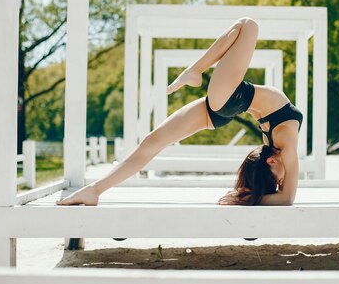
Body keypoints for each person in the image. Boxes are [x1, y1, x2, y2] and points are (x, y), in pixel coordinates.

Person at [56, 17, 303, 206]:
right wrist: (253, 197)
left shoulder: (281, 148)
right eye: (278, 181)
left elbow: (287, 198)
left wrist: (247, 198)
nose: (283, 179)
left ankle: (95, 190)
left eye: (277, 180)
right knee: (152, 142)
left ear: (270, 161)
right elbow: (286, 198)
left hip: (231, 100)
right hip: (231, 101)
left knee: (248, 25)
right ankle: (95, 191)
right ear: (269, 161)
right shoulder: (283, 146)